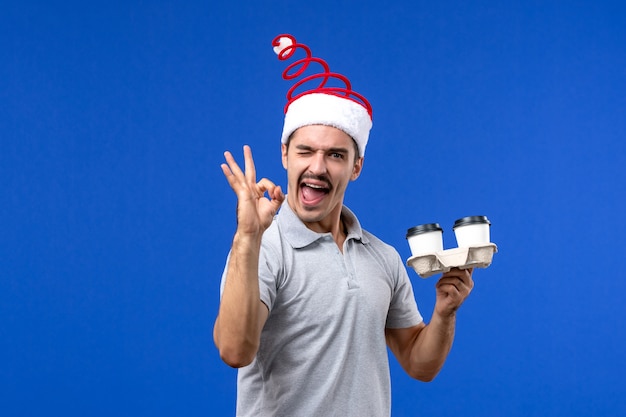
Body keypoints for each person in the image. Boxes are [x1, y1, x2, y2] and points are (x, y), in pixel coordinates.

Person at [213, 34, 474, 417]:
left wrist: (444, 313)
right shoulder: (263, 247)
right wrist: (248, 236)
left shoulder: (382, 257)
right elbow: (235, 351)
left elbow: (420, 364)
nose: (317, 167)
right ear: (285, 155)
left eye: (335, 155)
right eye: (305, 150)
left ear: (356, 166)